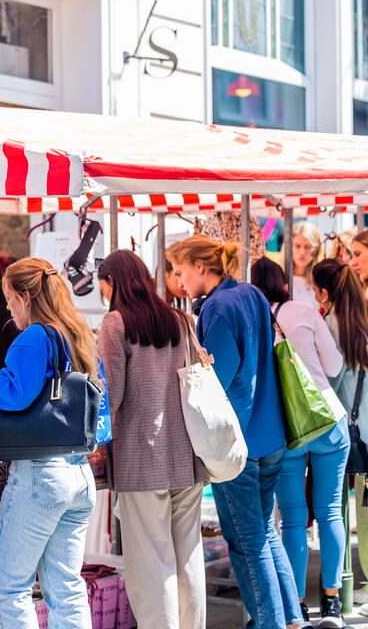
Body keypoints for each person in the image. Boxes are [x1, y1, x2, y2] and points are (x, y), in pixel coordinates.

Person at [167, 235, 304, 629]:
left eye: (180, 271)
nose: (179, 282)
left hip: (237, 441)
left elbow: (216, 379)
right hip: (271, 431)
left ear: (199, 266)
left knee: (247, 543)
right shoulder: (253, 295)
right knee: (263, 533)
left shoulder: (218, 307)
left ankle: (270, 622)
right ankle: (290, 618)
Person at [0, 257, 99, 629]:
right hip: (78, 472)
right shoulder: (75, 331)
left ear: (25, 295)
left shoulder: (35, 337)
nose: (7, 307)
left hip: (41, 476)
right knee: (67, 588)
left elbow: (17, 394)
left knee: (10, 589)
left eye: (9, 298)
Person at [97, 250, 207, 629]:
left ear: (111, 282)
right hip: (188, 454)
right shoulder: (181, 319)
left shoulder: (115, 323)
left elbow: (109, 397)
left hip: (140, 459)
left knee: (151, 563)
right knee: (187, 557)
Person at [251, 257, 348, 628]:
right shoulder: (304, 310)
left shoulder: (253, 319)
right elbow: (336, 367)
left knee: (291, 520)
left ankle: (297, 606)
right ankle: (334, 603)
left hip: (285, 429)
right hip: (326, 420)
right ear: (285, 286)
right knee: (329, 511)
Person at [313, 259, 368, 620]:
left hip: (338, 431)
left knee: (334, 510)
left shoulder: (326, 326)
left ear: (324, 292)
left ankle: (336, 597)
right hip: (365, 431)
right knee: (363, 515)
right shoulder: (362, 323)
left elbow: (327, 381)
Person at [292, 222, 324, 305]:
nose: (302, 252)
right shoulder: (278, 278)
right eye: (297, 246)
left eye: (307, 247)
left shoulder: (321, 281)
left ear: (317, 249)